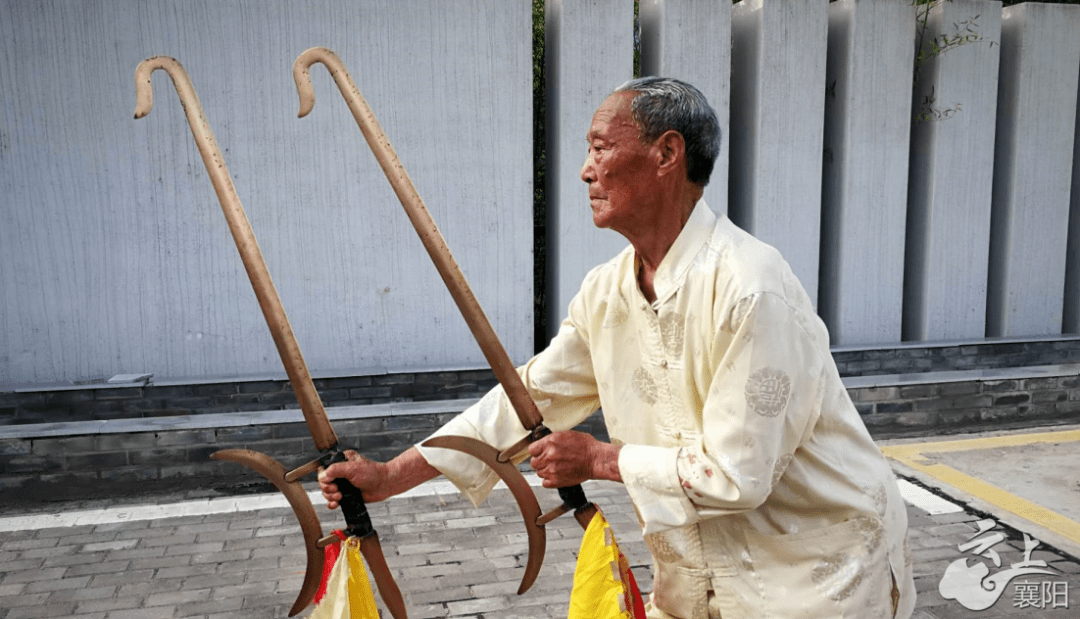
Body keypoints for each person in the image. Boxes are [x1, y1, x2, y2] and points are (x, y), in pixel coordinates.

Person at [320, 77, 915, 619]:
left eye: (601, 147)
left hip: (817, 578)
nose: (585, 170)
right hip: (696, 576)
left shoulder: (750, 286)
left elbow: (737, 476)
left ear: (666, 153)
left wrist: (599, 459)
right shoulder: (608, 291)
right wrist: (392, 475)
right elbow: (531, 394)